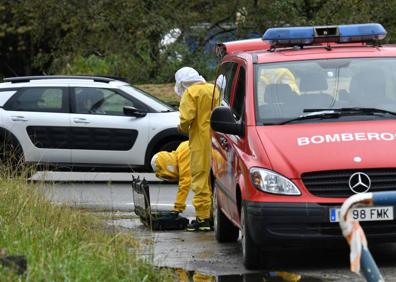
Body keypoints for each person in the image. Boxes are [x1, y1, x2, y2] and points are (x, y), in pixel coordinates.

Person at [175, 67, 220, 232]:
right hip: (218, 140)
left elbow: (186, 118)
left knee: (200, 178)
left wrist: (181, 127)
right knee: (214, 178)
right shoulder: (214, 89)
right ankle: (214, 216)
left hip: (200, 141)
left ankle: (202, 219)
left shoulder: (191, 93)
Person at [151, 141, 191, 217]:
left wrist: (177, 208)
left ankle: (204, 220)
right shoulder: (181, 148)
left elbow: (185, 183)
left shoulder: (183, 157)